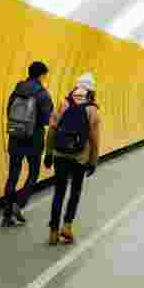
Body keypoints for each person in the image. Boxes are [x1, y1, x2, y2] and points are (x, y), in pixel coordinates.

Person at [44, 72, 101, 245]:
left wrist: (48, 153)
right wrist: (93, 161)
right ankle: (67, 227)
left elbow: (52, 130)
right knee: (75, 192)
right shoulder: (92, 110)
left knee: (58, 193)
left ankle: (53, 232)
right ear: (91, 91)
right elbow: (94, 140)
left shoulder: (63, 104)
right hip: (80, 158)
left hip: (60, 155)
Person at [1, 61, 54, 227]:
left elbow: (8, 111)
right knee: (33, 173)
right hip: (34, 139)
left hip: (16, 136)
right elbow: (47, 120)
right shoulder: (42, 93)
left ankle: (7, 215)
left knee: (12, 176)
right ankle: (20, 203)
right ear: (41, 75)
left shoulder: (17, 89)